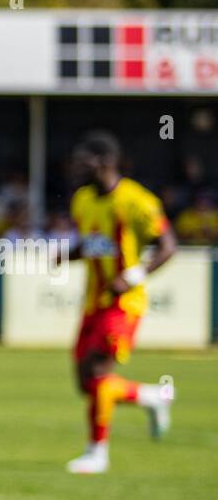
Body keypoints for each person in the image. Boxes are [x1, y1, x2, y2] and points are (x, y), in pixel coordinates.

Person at [65, 131, 177, 474]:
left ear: (104, 162)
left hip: (124, 303)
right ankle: (151, 397)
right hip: (92, 302)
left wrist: (131, 277)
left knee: (100, 371)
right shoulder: (82, 200)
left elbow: (167, 246)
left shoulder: (135, 200)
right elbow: (91, 244)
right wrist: (64, 255)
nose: (77, 168)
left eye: (84, 161)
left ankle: (97, 452)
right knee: (86, 381)